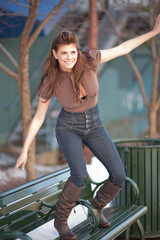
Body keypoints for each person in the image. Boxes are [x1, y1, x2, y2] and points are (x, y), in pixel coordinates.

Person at [14, 15, 160, 240]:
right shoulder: (50, 79)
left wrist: (153, 32)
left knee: (118, 175)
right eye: (63, 53)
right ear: (55, 54)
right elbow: (38, 118)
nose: (69, 57)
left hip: (95, 124)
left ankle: (96, 208)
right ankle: (60, 222)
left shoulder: (89, 59)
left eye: (72, 52)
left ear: (77, 51)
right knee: (79, 175)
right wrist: (24, 149)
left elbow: (123, 48)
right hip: (68, 127)